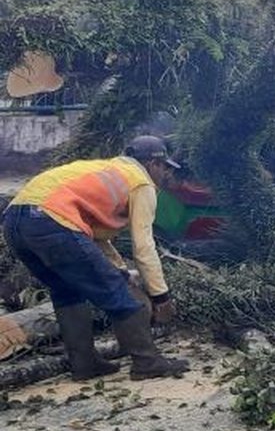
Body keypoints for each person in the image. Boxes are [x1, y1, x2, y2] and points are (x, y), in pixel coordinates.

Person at [2, 136, 189, 380]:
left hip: (15, 222)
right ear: (152, 163)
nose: (165, 174)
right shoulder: (141, 182)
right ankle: (147, 361)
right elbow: (144, 247)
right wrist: (160, 296)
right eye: (164, 167)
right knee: (117, 293)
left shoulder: (106, 170)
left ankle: (84, 364)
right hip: (52, 220)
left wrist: (121, 271)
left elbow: (93, 239)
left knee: (67, 292)